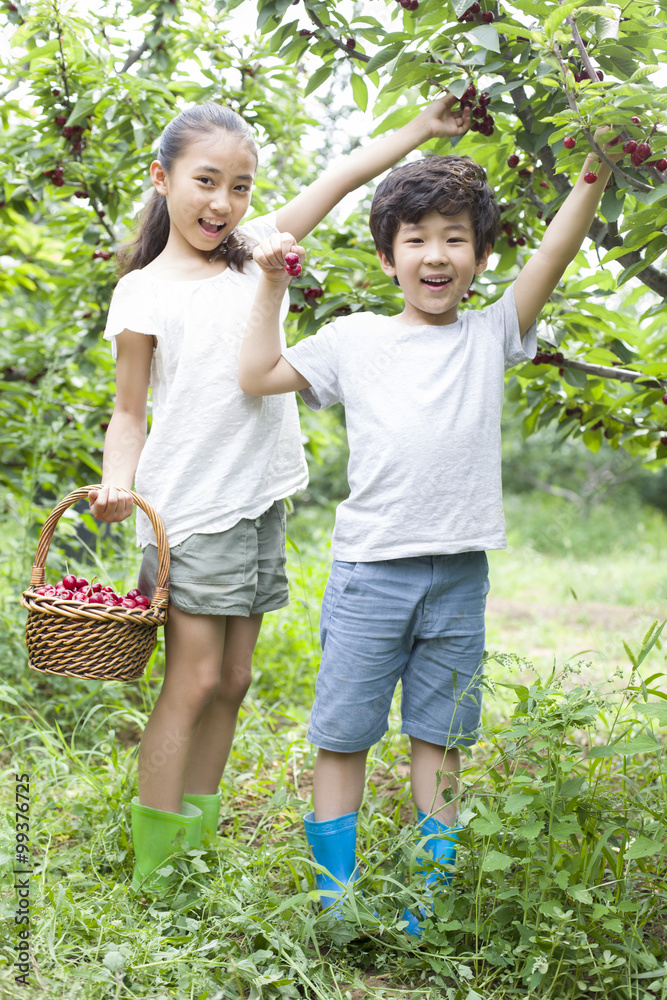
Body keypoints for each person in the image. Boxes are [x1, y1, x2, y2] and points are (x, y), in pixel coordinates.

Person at [238, 131, 623, 933]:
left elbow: (554, 251)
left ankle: (428, 903)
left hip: (457, 576)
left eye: (456, 238)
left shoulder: (491, 336)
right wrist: (270, 285)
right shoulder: (354, 339)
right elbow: (257, 375)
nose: (436, 255)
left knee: (440, 737)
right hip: (368, 573)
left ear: (480, 256)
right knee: (343, 735)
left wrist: (598, 164)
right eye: (416, 239)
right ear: (388, 256)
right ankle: (335, 902)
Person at [88, 95, 472, 892]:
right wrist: (118, 483)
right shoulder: (142, 291)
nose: (222, 203)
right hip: (190, 503)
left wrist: (419, 131)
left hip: (259, 497)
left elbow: (339, 176)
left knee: (233, 680)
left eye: (240, 186)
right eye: (204, 181)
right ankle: (156, 865)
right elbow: (129, 411)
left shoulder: (254, 251)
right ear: (161, 179)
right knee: (191, 679)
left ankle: (194, 837)